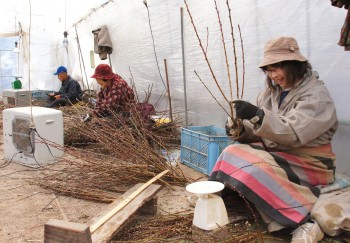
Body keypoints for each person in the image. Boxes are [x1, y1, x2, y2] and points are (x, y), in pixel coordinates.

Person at [209, 37, 338, 242]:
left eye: (278, 68)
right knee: (232, 151)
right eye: (269, 70)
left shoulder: (316, 96)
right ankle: (212, 197)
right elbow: (261, 131)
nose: (274, 75)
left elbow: (293, 133)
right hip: (281, 155)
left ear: (295, 65)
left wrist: (258, 116)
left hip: (310, 163)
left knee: (253, 166)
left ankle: (302, 221)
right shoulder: (269, 93)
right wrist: (241, 129)